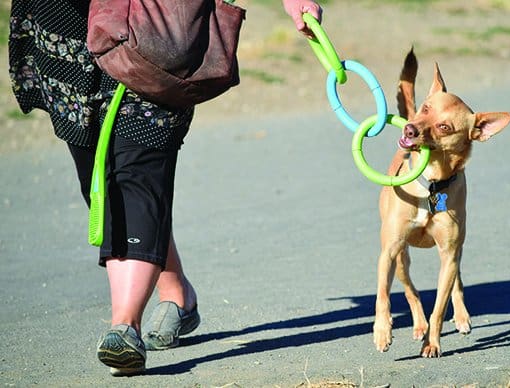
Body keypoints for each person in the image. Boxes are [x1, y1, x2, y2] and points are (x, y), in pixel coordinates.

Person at [8, 0, 323, 376]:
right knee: (100, 176)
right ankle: (176, 291)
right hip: (63, 21)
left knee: (136, 172)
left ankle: (124, 327)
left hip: (154, 21)